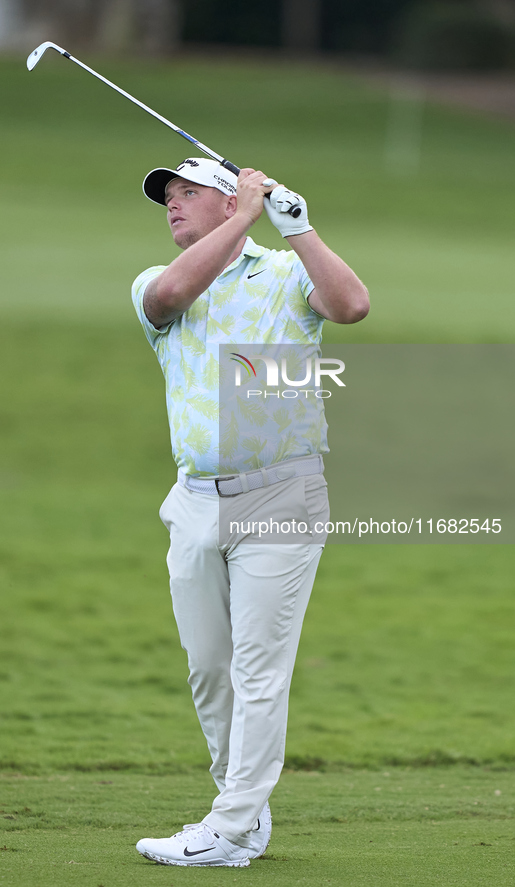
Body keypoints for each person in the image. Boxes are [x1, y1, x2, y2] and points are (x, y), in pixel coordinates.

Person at [131, 157, 369, 867]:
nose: (171, 205)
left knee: (258, 669)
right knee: (209, 668)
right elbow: (172, 293)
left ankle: (229, 826)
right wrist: (239, 215)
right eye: (165, 197)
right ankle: (241, 813)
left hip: (281, 495)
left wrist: (297, 228)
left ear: (228, 194)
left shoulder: (285, 274)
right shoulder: (152, 282)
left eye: (185, 192)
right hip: (195, 499)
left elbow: (350, 305)